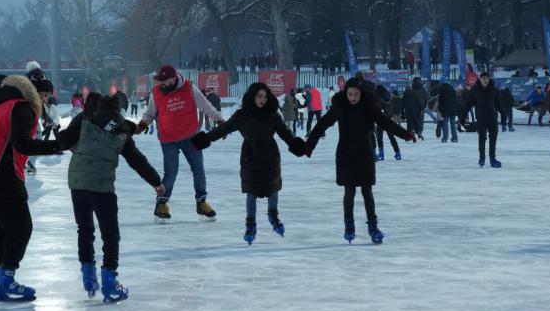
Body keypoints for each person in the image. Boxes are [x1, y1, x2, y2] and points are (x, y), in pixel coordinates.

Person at [56, 93, 165, 303]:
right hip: (101, 187)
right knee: (110, 233)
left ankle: (88, 277)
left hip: (77, 183)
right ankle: (109, 281)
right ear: (117, 110)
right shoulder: (122, 130)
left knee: (85, 229)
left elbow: (63, 140)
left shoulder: (84, 120)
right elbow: (137, 161)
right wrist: (156, 182)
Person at [0, 74, 61, 303]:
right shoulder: (22, 108)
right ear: (35, 93)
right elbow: (22, 144)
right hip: (2, 174)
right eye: (45, 94)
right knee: (21, 229)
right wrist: (58, 145)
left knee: (3, 230)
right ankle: (6, 282)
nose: (47, 99)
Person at [290, 78, 415, 244]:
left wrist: (405, 134)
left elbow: (386, 123)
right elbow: (322, 124)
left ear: (361, 94)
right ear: (345, 93)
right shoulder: (340, 107)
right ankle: (349, 226)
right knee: (349, 191)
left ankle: (373, 227)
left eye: (356, 94)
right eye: (350, 94)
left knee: (367, 191)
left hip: (365, 154)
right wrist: (309, 146)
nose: (353, 97)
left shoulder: (369, 108)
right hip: (345, 154)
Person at [191, 83, 296, 245]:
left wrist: (296, 144)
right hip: (251, 156)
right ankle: (250, 225)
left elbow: (284, 133)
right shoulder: (242, 115)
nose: (262, 100)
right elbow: (223, 129)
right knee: (251, 192)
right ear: (252, 97)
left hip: (270, 157)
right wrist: (206, 139)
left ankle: (273, 217)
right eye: (259, 96)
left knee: (273, 189)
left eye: (265, 97)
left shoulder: (272, 115)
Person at [136, 64, 224, 222]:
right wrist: (143, 125)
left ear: (174, 78)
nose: (162, 84)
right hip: (168, 140)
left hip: (190, 137)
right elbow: (150, 113)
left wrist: (219, 120)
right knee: (170, 173)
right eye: (160, 81)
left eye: (165, 80)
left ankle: (201, 202)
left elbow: (205, 106)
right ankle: (162, 204)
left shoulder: (189, 88)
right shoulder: (156, 92)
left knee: (199, 170)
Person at [465, 72, 503, 168]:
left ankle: (492, 159)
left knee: (493, 138)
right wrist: (463, 114)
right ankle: (482, 158)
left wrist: (503, 115)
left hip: (492, 118)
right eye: (484, 78)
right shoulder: (475, 90)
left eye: (487, 78)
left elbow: (499, 104)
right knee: (482, 138)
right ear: (480, 79)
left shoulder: (494, 90)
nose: (485, 80)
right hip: (481, 118)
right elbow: (468, 103)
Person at [373, 85, 401, 160]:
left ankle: (381, 154)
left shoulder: (379, 99)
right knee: (391, 137)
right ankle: (398, 152)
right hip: (388, 119)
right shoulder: (389, 97)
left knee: (379, 137)